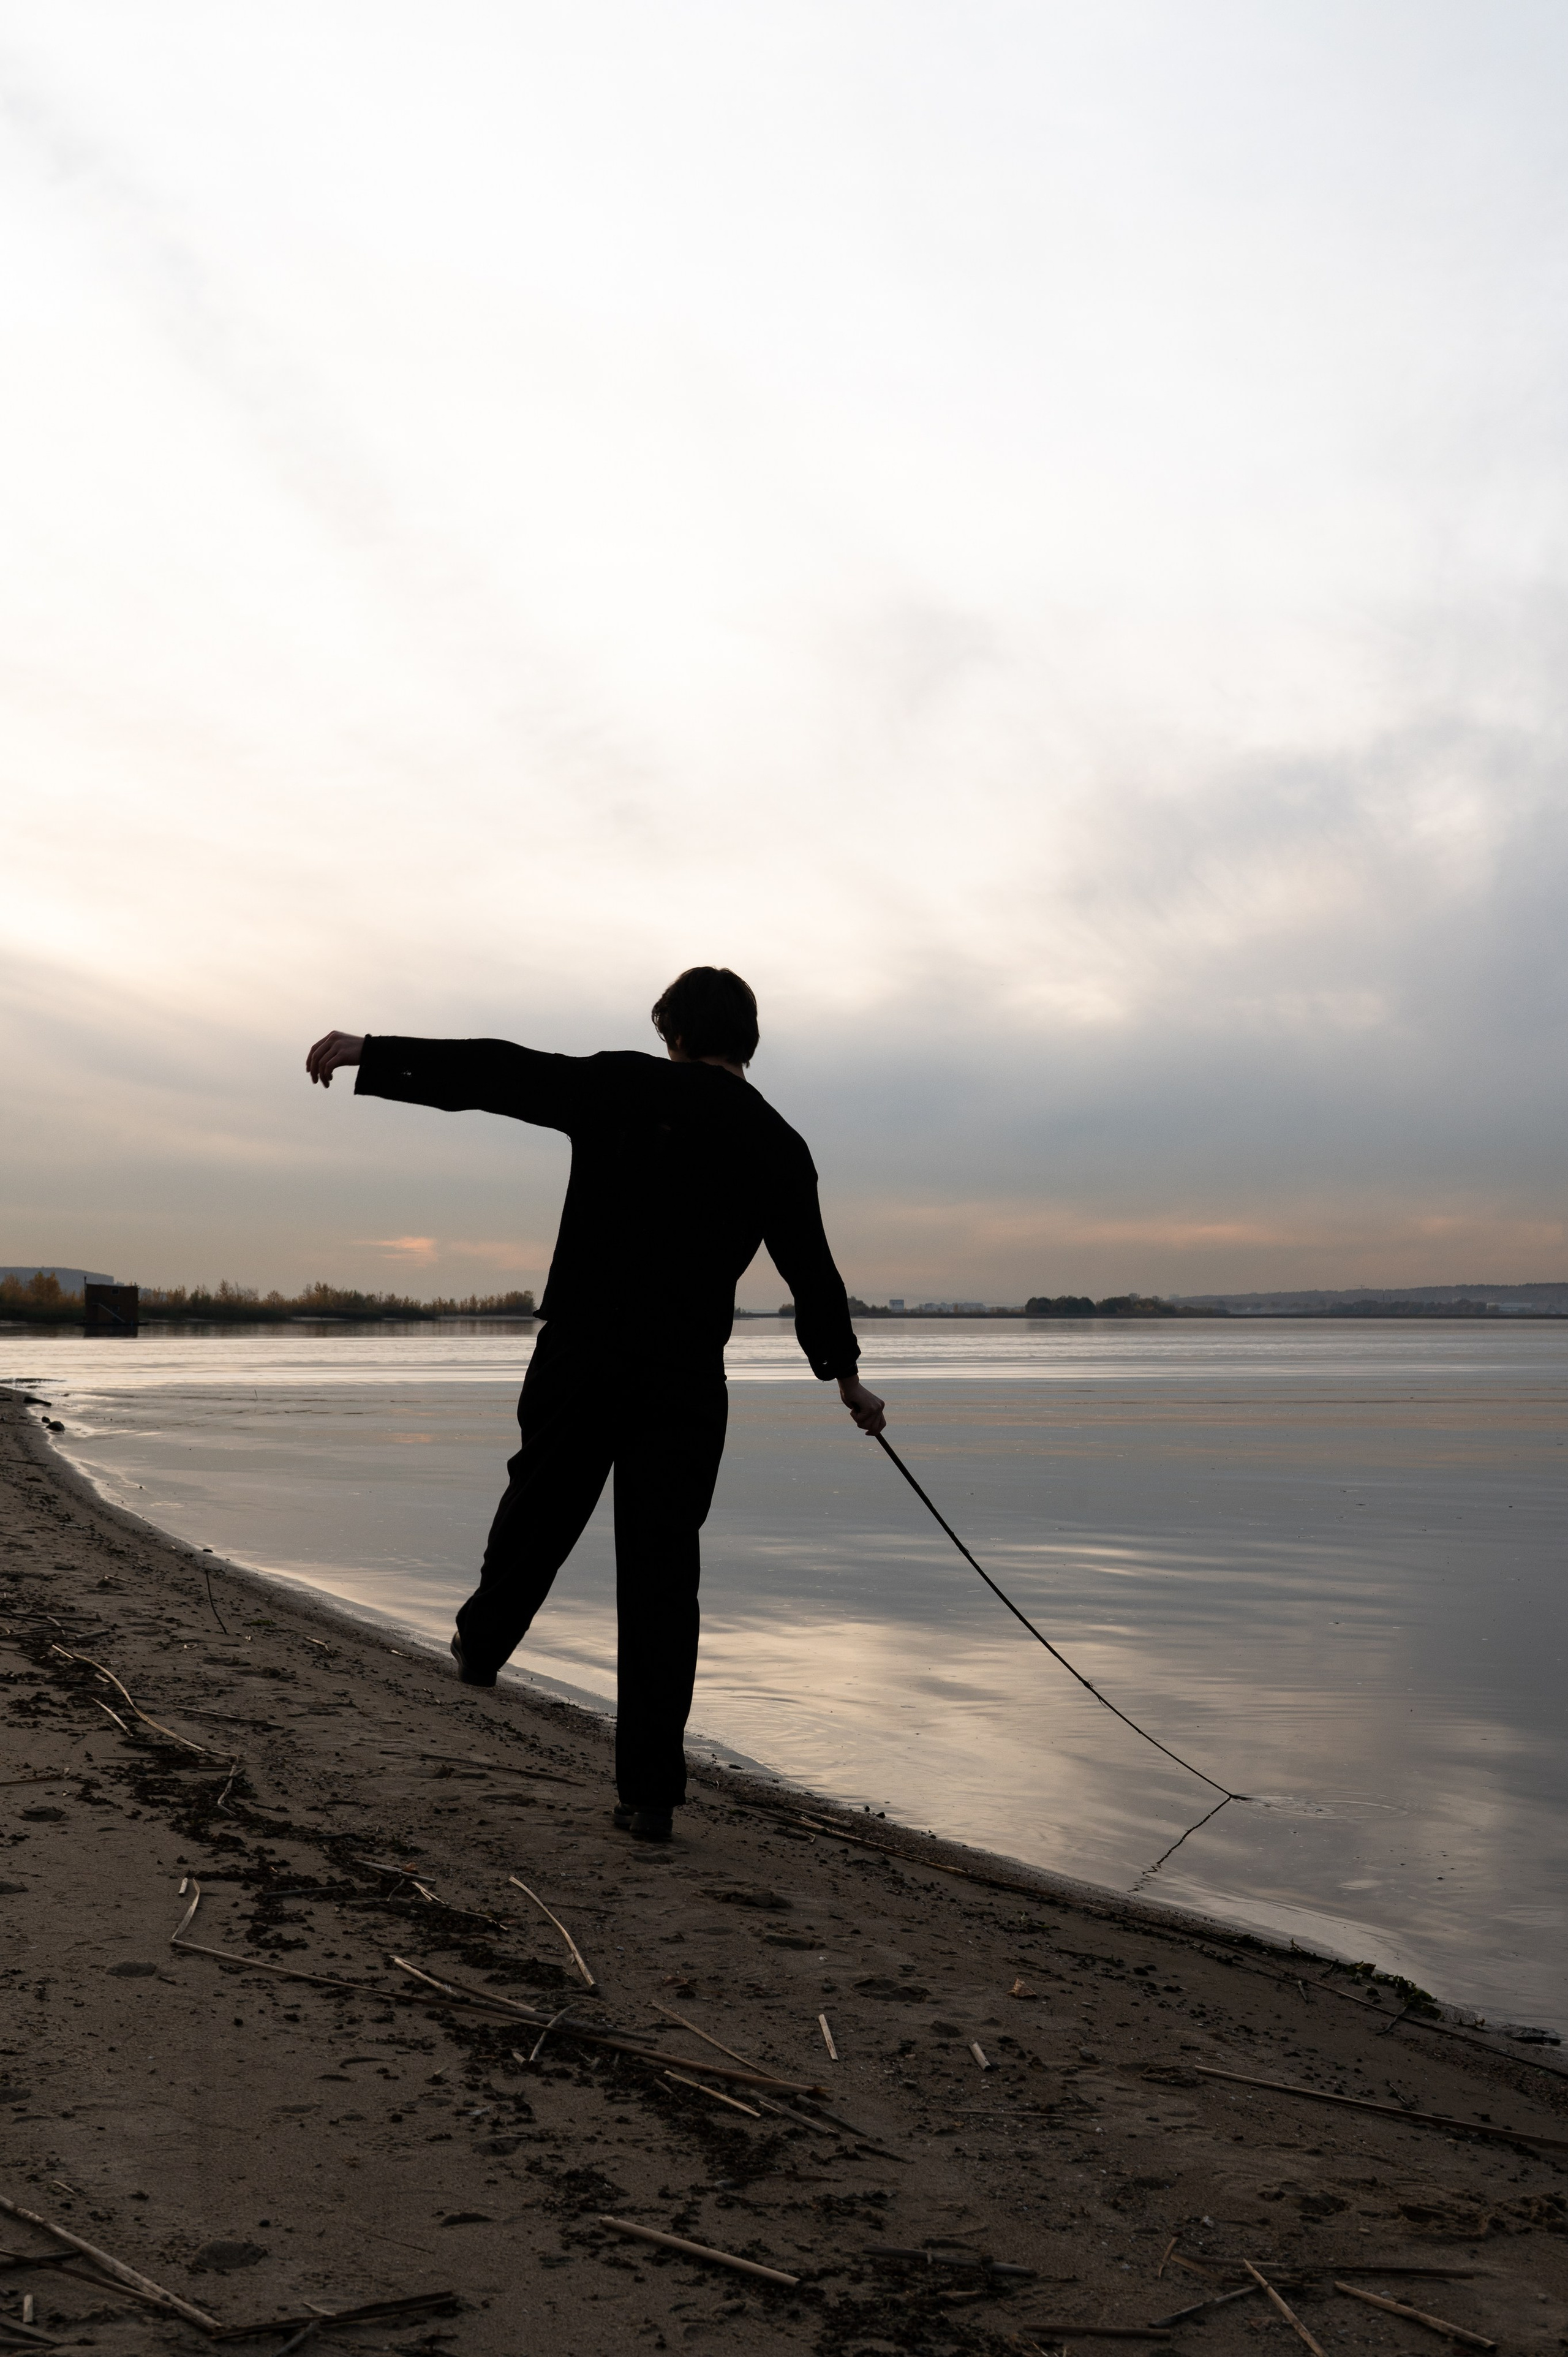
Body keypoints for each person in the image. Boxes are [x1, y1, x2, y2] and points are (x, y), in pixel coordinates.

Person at [306, 965, 886, 1842]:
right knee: (662, 1576)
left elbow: (500, 1074)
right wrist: (843, 1375)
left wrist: (373, 1053)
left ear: (676, 1034)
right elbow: (811, 1270)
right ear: (747, 1041)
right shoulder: (777, 1141)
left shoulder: (625, 1084)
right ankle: (649, 1795)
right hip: (686, 1376)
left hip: (585, 1350)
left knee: (539, 1500)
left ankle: (483, 1643)